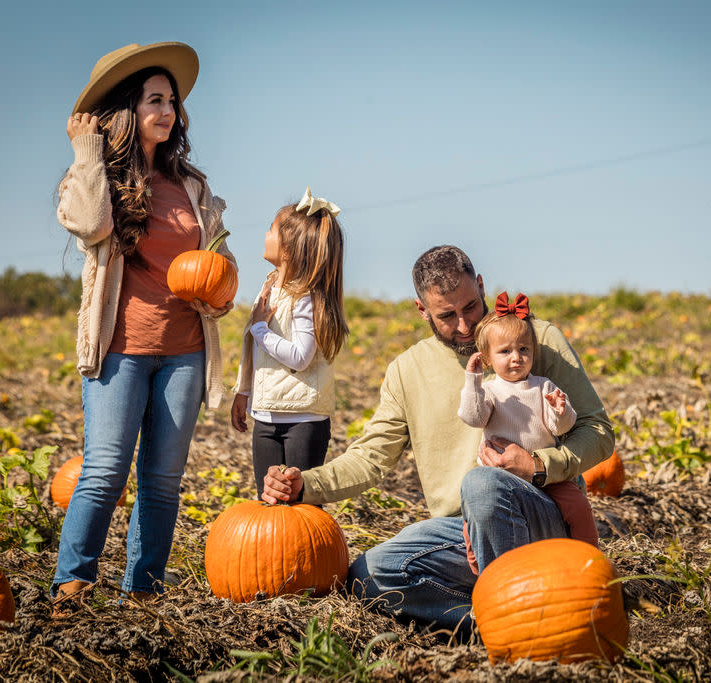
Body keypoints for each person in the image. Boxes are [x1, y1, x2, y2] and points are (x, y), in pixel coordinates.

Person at [263, 245, 613, 631]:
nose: (464, 326)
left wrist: (540, 465)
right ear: (422, 310)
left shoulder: (533, 340)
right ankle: (496, 622)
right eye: (446, 316)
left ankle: (517, 612)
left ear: (481, 287)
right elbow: (370, 457)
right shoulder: (407, 370)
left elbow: (597, 430)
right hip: (461, 534)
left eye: (471, 307)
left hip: (541, 512)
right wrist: (304, 484)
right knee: (369, 576)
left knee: (481, 484)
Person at [52, 41, 236, 610]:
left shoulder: (193, 187)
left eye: (172, 101)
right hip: (121, 350)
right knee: (105, 470)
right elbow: (90, 225)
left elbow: (218, 265)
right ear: (130, 110)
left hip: (184, 352)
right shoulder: (93, 177)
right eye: (155, 100)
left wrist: (218, 297)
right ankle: (72, 582)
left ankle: (145, 589)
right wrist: (87, 153)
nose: (168, 111)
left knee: (162, 480)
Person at [457, 291, 598, 574]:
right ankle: (477, 561)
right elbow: (473, 417)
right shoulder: (490, 391)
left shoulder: (542, 386)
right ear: (487, 358)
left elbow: (561, 428)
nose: (516, 358)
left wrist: (561, 410)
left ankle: (590, 561)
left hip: (546, 479)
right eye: (505, 351)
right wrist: (472, 381)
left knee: (578, 506)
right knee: (476, 510)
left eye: (524, 350)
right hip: (501, 479)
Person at [230, 188, 349, 496]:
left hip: (304, 421)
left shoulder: (305, 298)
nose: (265, 234)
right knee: (268, 499)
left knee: (302, 505)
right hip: (267, 415)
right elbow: (254, 349)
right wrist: (244, 392)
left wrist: (261, 329)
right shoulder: (269, 287)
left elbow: (300, 357)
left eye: (271, 229)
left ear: (287, 250)